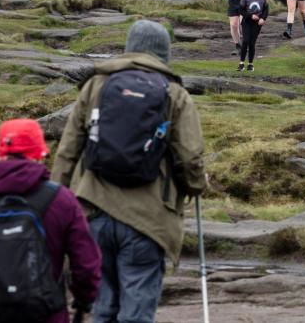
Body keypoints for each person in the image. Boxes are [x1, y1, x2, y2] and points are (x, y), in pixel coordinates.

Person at [52, 20, 207, 323]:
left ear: (129, 47)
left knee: (103, 307)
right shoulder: (174, 93)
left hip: (94, 211)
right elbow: (190, 158)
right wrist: (196, 186)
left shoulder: (96, 85)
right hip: (148, 220)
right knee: (136, 313)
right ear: (164, 53)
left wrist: (58, 207)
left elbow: (67, 151)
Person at [0, 118, 101, 323]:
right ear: (40, 153)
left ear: (0, 153)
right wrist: (84, 301)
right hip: (47, 314)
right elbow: (87, 266)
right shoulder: (61, 200)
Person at [238, 0, 269, 71]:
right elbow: (241, 10)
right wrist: (250, 16)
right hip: (247, 22)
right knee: (246, 41)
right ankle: (241, 63)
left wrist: (263, 18)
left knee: (252, 43)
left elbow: (266, 10)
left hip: (257, 24)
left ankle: (250, 64)